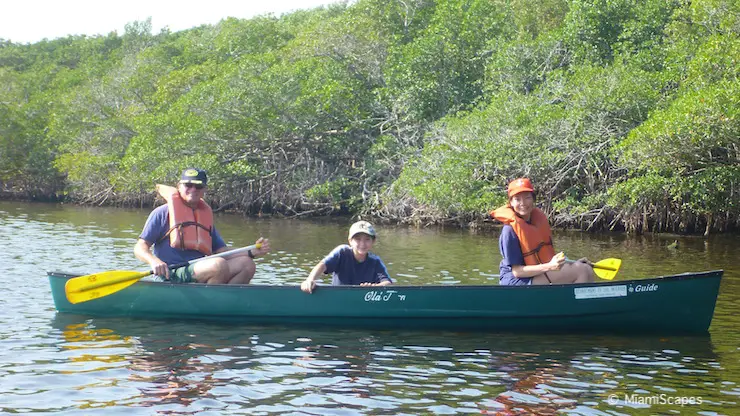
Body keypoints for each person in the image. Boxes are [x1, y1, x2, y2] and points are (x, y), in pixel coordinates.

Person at [134, 168, 270, 284]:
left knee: (246, 264)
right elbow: (140, 247)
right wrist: (154, 261)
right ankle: (211, 302)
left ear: (204, 189)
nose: (193, 189)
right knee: (218, 265)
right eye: (188, 185)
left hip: (198, 271)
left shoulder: (204, 216)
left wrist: (252, 252)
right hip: (170, 273)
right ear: (179, 186)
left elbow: (221, 251)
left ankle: (224, 301)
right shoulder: (162, 213)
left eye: (198, 186)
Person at [490, 178, 595, 285]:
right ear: (511, 203)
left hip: (535, 274)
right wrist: (550, 266)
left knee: (587, 269)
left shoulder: (536, 221)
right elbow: (517, 272)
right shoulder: (509, 231)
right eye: (517, 199)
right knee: (581, 271)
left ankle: (581, 300)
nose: (523, 203)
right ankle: (575, 301)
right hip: (515, 280)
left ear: (533, 199)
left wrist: (571, 262)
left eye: (527, 198)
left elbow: (543, 258)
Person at [300, 220, 393, 293]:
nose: (362, 244)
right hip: (338, 299)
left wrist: (374, 287)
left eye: (367, 239)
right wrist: (310, 280)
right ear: (350, 241)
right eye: (358, 239)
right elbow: (322, 265)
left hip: (363, 301)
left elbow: (388, 283)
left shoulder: (375, 261)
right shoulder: (342, 252)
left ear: (373, 241)